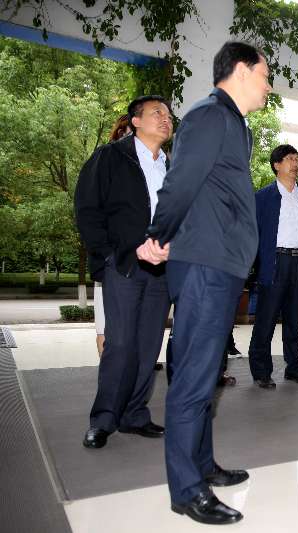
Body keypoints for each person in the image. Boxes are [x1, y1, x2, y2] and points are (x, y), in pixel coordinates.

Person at [140, 41, 272, 525]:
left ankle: (202, 464)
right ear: (241, 71)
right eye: (265, 75)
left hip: (221, 263)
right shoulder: (209, 115)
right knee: (193, 377)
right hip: (203, 265)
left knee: (206, 371)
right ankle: (186, 490)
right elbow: (181, 181)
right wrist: (158, 234)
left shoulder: (234, 123)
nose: (269, 86)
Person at [75, 96, 174, 449]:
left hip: (162, 271)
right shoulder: (110, 157)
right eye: (156, 113)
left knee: (149, 345)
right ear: (135, 121)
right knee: (120, 344)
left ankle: (134, 414)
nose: (165, 118)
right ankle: (103, 419)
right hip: (124, 266)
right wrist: (108, 256)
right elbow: (87, 208)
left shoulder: (170, 166)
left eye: (168, 114)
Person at [248, 144, 298, 389]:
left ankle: (294, 368)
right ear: (276, 165)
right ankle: (261, 371)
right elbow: (253, 235)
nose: (295, 164)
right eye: (289, 159)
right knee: (266, 319)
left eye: (297, 159)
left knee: (294, 320)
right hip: (273, 262)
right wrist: (254, 267)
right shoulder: (263, 197)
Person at [92, 114, 133, 357]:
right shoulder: (105, 161)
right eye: (126, 134)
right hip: (110, 261)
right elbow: (91, 211)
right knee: (105, 326)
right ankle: (107, 370)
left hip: (140, 266)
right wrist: (106, 253)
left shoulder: (156, 164)